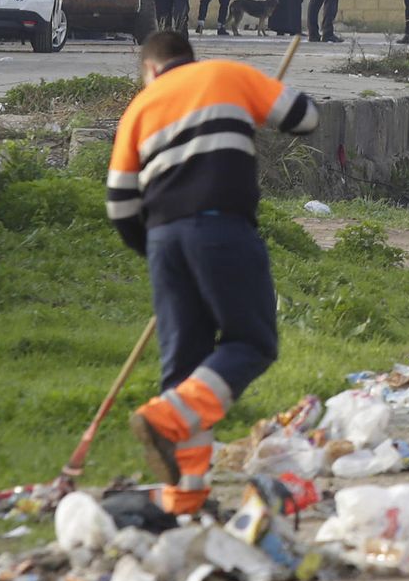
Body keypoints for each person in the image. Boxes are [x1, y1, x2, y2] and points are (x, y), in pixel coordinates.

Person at [110, 30, 319, 516]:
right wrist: (255, 107)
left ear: (150, 70)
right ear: (189, 58)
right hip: (223, 228)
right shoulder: (228, 75)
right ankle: (165, 418)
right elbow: (305, 117)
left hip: (163, 239)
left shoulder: (139, 109)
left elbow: (120, 204)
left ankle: (187, 493)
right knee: (251, 341)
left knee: (184, 368)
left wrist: (158, 252)